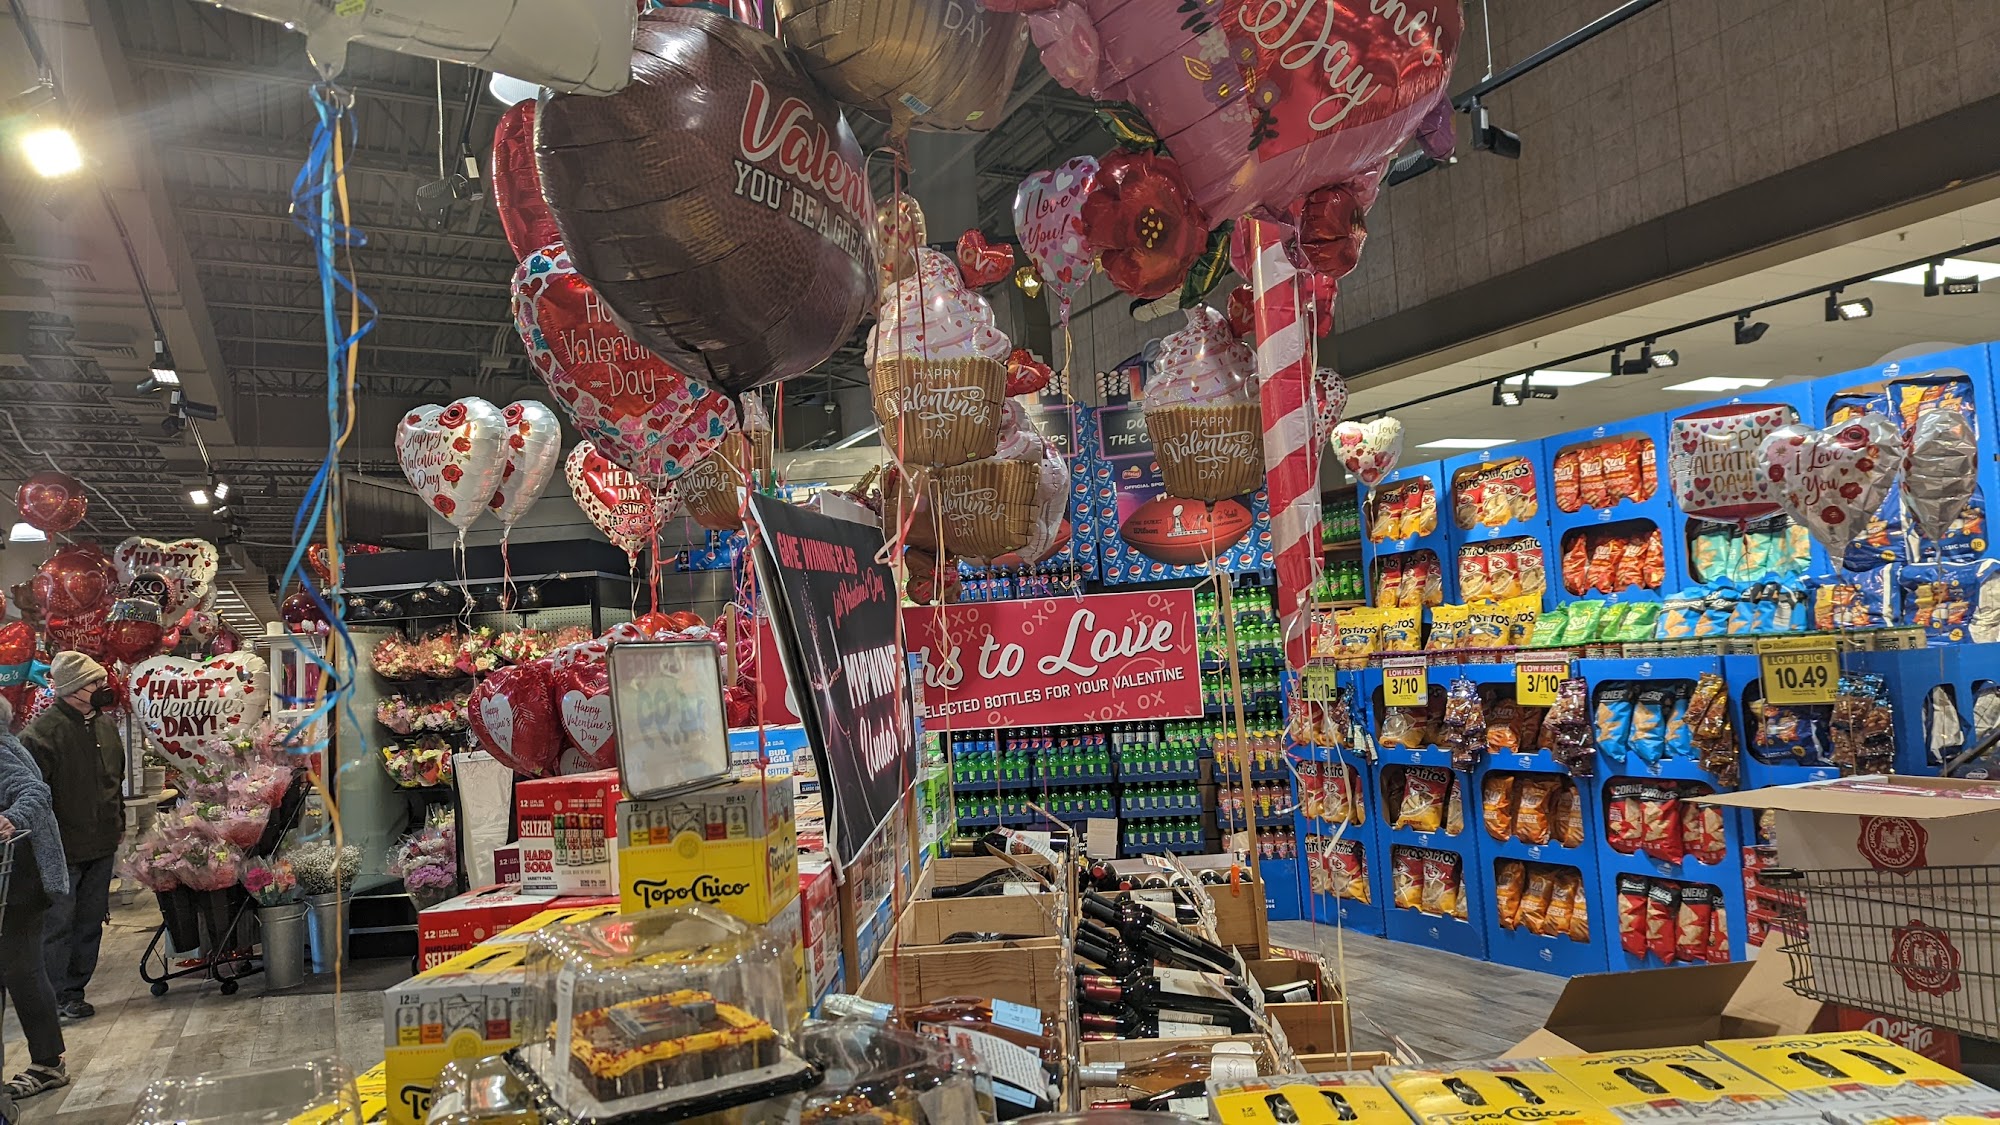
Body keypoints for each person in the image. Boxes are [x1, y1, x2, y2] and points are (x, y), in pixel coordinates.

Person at [21, 651, 125, 1023]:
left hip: (102, 842)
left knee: (90, 921)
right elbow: (31, 796)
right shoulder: (39, 735)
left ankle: (75, 990)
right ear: (73, 688)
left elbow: (116, 781)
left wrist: (118, 823)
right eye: (95, 682)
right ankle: (55, 995)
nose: (102, 688)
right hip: (59, 848)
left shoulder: (106, 727)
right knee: (58, 924)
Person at [0, 695, 70, 1100]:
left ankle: (48, 1062)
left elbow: (35, 792)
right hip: (13, 881)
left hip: (17, 882)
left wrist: (11, 818)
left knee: (22, 971)